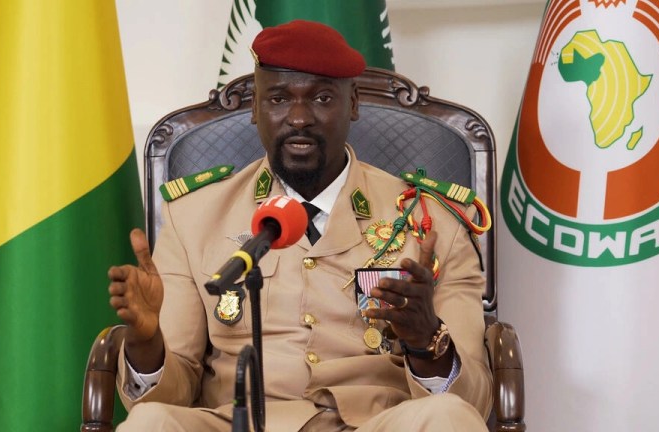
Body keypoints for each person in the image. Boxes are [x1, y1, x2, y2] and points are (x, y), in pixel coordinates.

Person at [108, 19, 491, 431]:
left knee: (448, 417)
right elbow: (172, 393)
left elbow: (474, 402)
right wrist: (147, 345)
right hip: (239, 423)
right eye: (277, 98)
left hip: (375, 422)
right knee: (148, 422)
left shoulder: (432, 222)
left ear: (353, 103)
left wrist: (427, 342)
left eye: (322, 98)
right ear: (255, 108)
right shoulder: (195, 217)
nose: (298, 118)